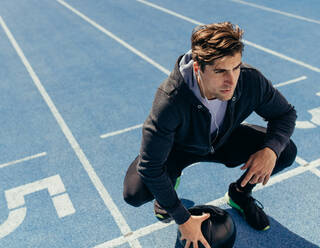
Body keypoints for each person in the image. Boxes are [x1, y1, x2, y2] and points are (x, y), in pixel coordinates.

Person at [123, 22, 297, 248]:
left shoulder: (249, 79)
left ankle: (240, 195)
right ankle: (170, 183)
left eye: (235, 67)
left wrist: (270, 150)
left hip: (223, 140)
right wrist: (182, 218)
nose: (232, 80)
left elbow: (285, 114)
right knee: (134, 193)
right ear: (198, 68)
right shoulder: (170, 100)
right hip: (178, 149)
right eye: (220, 71)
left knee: (285, 152)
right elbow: (149, 166)